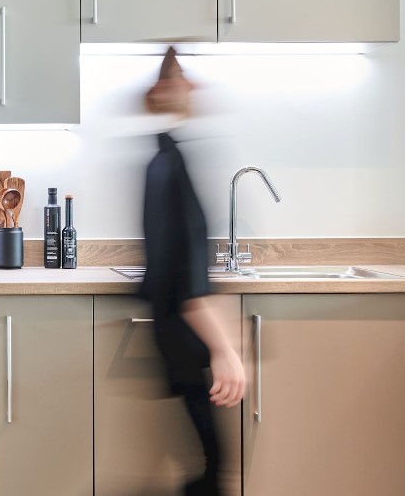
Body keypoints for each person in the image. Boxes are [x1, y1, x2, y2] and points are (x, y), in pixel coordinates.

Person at [141, 47, 246, 496]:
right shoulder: (171, 164)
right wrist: (225, 350)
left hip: (179, 332)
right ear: (165, 89)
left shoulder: (165, 157)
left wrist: (227, 340)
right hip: (184, 334)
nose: (195, 85)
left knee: (208, 465)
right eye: (184, 75)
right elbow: (185, 277)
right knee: (213, 467)